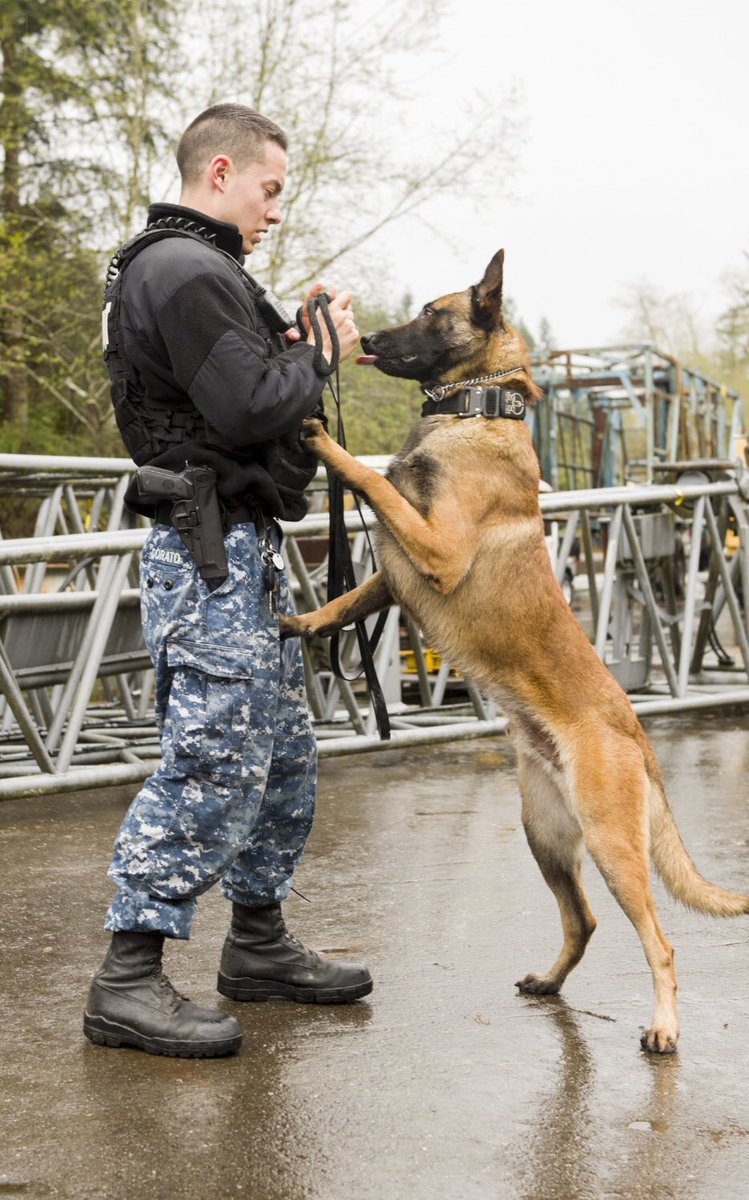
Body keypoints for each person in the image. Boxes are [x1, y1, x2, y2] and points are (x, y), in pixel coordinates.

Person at [83, 103, 372, 1059]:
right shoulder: (183, 269)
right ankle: (126, 979)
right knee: (213, 759)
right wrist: (317, 354)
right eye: (269, 188)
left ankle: (257, 947)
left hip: (234, 551)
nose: (276, 210)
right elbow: (248, 405)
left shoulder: (202, 272)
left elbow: (246, 385)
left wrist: (299, 339)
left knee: (280, 756)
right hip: (206, 556)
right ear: (219, 172)